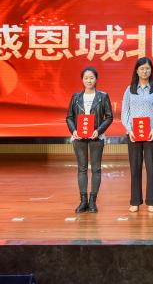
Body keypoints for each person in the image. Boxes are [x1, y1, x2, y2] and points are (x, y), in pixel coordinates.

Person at [120, 57, 153, 213]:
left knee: (151, 168)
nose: (145, 71)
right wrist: (129, 130)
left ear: (151, 70)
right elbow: (125, 112)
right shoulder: (129, 90)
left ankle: (152, 201)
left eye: (147, 68)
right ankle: (135, 201)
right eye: (142, 68)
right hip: (133, 135)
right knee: (135, 168)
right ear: (136, 71)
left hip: (152, 135)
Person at [65, 66, 113, 214]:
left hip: (96, 137)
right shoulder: (76, 97)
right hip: (79, 137)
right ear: (82, 80)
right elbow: (69, 117)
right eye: (86, 78)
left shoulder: (103, 96)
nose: (89, 80)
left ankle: (93, 201)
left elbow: (109, 117)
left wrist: (98, 130)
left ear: (96, 79)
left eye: (91, 78)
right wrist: (74, 130)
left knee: (96, 168)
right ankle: (83, 201)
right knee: (82, 168)